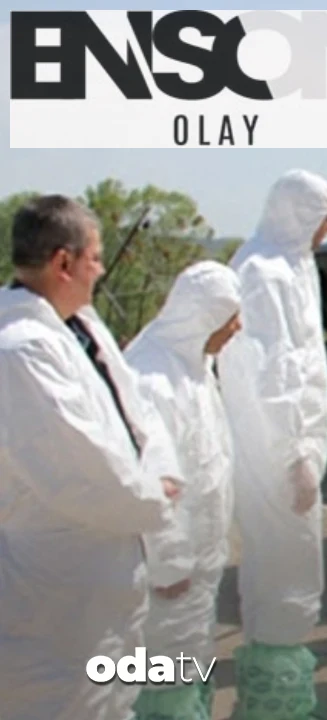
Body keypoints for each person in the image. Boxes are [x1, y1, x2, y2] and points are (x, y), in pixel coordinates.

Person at [0, 194, 183, 720]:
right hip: (56, 586)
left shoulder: (80, 328)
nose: (101, 270)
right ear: (64, 262)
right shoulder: (20, 351)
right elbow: (83, 474)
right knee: (60, 702)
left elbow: (136, 414)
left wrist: (160, 469)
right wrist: (154, 494)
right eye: (96, 257)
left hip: (99, 580)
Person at [216, 169, 327, 718]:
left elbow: (303, 363)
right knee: (281, 571)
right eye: (323, 216)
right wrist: (293, 455)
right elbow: (269, 375)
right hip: (275, 454)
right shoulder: (262, 272)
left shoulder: (292, 265)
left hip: (292, 449)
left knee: (290, 569)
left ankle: (282, 697)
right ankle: (275, 705)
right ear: (299, 214)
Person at [124, 260, 243, 719]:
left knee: (188, 658)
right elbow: (150, 480)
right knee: (162, 668)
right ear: (202, 317)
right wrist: (169, 559)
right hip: (166, 575)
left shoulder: (193, 367)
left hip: (198, 563)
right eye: (229, 316)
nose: (237, 327)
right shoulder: (150, 378)